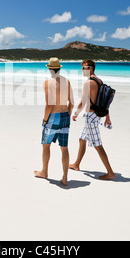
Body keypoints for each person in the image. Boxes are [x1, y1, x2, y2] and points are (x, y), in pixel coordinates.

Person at [69, 60, 116, 180]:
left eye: (84, 68)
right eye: (82, 68)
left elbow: (83, 102)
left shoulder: (88, 83)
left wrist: (75, 114)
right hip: (96, 116)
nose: (82, 71)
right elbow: (104, 102)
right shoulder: (99, 81)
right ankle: (76, 164)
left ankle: (110, 172)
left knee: (98, 145)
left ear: (90, 68)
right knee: (82, 139)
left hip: (90, 117)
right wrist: (107, 117)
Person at [34, 57, 74, 186]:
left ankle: (44, 172)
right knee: (64, 148)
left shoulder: (47, 82)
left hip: (53, 116)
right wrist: (67, 115)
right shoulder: (67, 81)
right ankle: (65, 177)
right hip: (65, 115)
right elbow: (72, 103)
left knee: (46, 145)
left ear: (49, 68)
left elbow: (49, 105)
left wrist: (45, 119)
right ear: (59, 68)